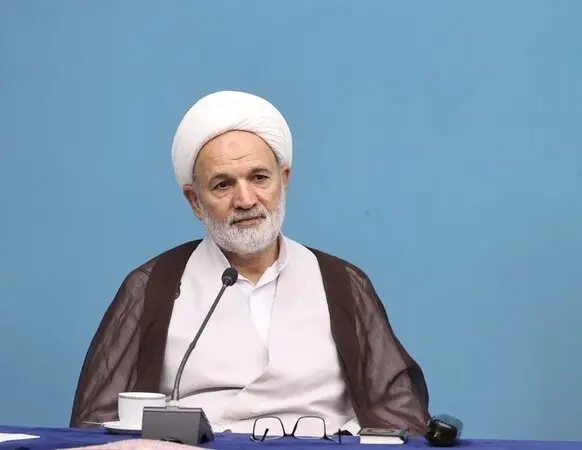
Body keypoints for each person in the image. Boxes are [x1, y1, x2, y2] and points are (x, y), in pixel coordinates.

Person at [69, 90, 431, 436]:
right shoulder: (153, 286)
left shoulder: (341, 283)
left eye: (259, 178)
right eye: (223, 185)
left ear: (283, 180)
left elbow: (398, 411)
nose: (245, 200)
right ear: (195, 201)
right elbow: (98, 424)